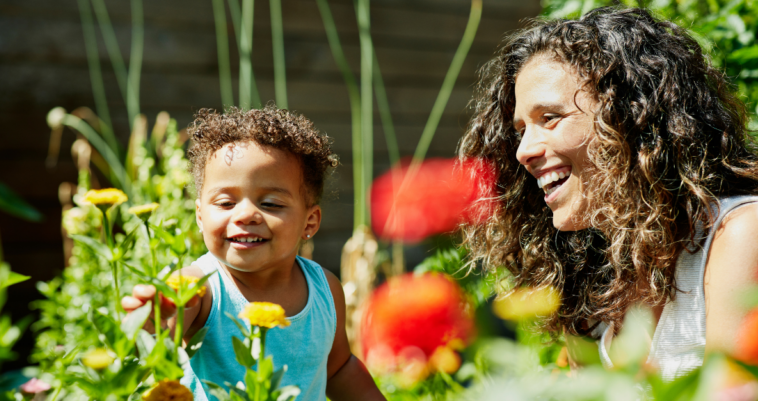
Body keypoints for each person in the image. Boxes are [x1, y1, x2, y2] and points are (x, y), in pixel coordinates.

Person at [459, 7, 758, 380]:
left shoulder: (740, 233)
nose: (523, 151)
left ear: (632, 117)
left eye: (549, 118)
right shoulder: (590, 280)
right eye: (521, 130)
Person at [122, 106, 386, 400]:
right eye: (225, 203)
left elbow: (338, 369)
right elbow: (156, 344)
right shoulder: (199, 287)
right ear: (200, 216)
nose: (246, 215)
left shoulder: (325, 288)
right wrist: (149, 326)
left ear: (308, 222)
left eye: (271, 204)